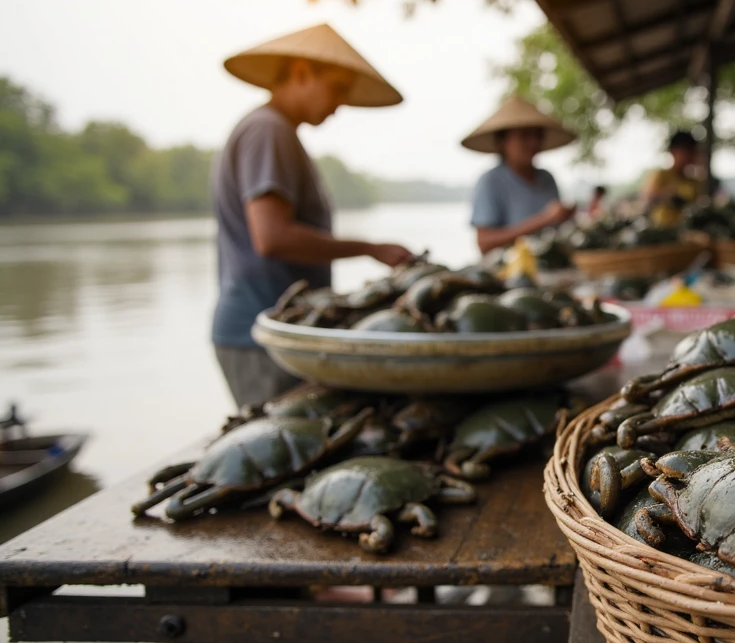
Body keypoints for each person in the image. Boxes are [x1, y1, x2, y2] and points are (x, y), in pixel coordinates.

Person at [212, 23, 414, 407]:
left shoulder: (276, 131)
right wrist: (370, 248)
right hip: (262, 335)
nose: (339, 105)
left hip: (279, 332)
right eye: (337, 88)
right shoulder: (268, 130)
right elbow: (272, 237)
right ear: (302, 73)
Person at [463, 95, 577, 254]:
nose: (533, 143)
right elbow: (484, 243)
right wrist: (545, 219)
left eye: (537, 135)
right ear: (502, 142)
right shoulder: (491, 182)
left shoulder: (547, 178)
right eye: (524, 136)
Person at [642, 130, 702, 227]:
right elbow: (647, 198)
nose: (691, 156)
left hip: (686, 231)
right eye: (688, 151)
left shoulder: (694, 181)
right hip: (662, 231)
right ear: (674, 151)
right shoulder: (661, 175)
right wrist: (668, 196)